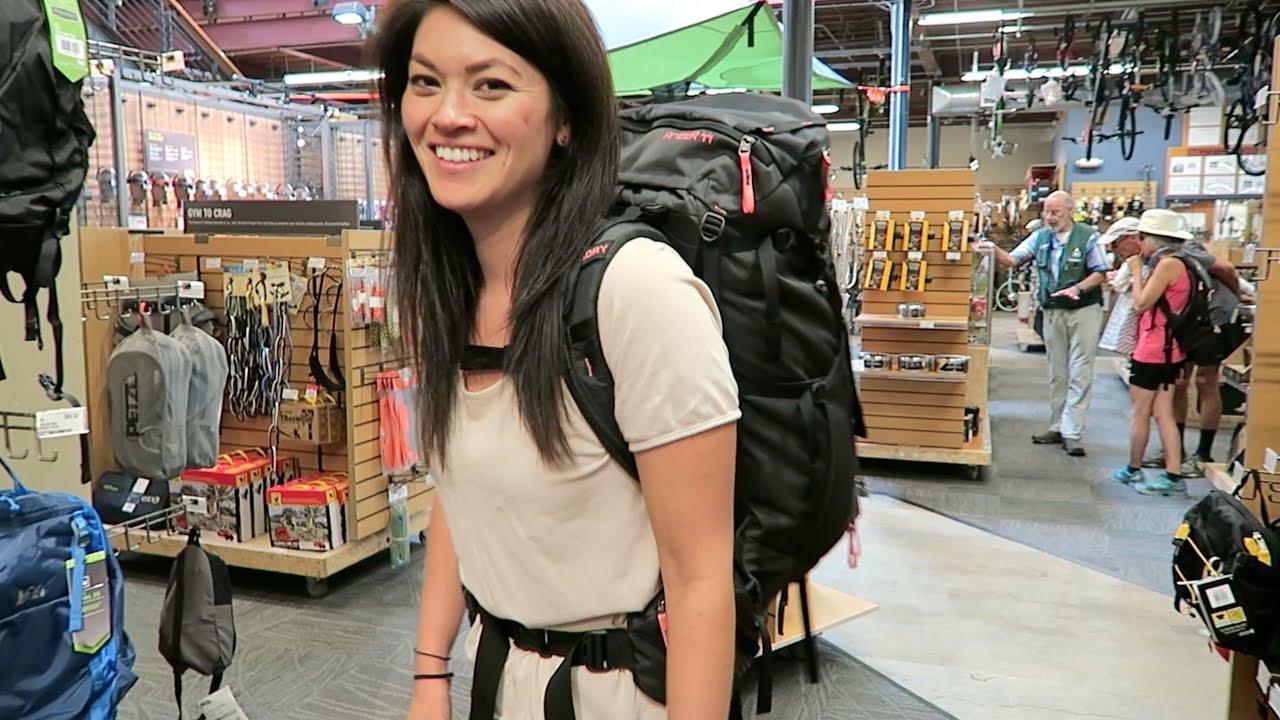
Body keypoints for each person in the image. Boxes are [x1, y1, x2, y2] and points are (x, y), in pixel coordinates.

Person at [374, 2, 739, 719]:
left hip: (619, 694)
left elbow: (700, 583)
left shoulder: (637, 292)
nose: (448, 115)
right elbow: (464, 492)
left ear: (564, 118)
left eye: (491, 85)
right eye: (425, 82)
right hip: (497, 677)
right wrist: (429, 674)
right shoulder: (449, 292)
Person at [977, 190, 1109, 456]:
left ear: (1070, 210)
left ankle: (1073, 432)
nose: (1050, 217)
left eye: (1055, 212)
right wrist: (990, 247)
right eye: (1047, 212)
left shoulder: (1088, 236)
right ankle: (1057, 425)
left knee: (1080, 369)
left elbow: (1100, 271)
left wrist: (1078, 288)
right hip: (1052, 311)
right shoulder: (1040, 237)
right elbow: (1013, 260)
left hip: (1083, 309)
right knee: (1057, 371)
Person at [1140, 237, 1251, 477]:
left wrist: (1236, 296)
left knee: (1206, 381)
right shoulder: (1157, 258)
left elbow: (1226, 268)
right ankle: (1175, 450)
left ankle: (1203, 454)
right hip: (1187, 322)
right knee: (1179, 382)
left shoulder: (1186, 249)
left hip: (1211, 319)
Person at [1108, 209, 1195, 497]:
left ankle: (1134, 468)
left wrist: (1135, 272)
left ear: (1155, 239)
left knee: (1141, 412)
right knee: (1163, 413)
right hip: (1171, 349)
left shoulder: (1167, 265)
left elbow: (1141, 303)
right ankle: (1173, 474)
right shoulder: (1183, 263)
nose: (1140, 243)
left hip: (1153, 348)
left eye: (1143, 237)